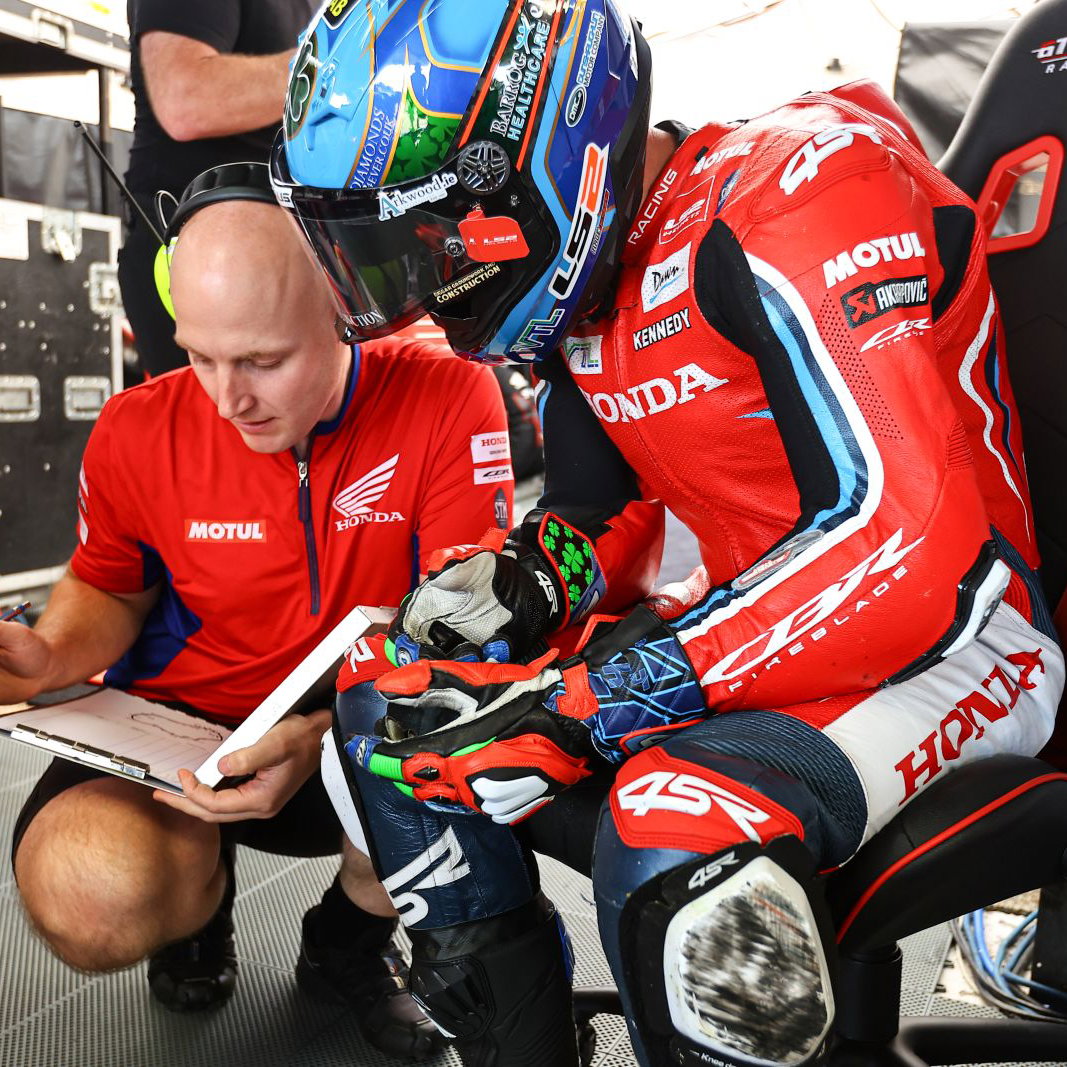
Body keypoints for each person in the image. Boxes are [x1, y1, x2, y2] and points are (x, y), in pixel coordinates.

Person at [272, 3, 1066, 1066]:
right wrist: (516, 584)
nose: (419, 288)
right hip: (764, 634)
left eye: (429, 241)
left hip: (961, 640)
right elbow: (600, 517)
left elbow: (906, 540)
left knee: (675, 821)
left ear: (540, 149)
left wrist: (589, 705)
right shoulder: (582, 284)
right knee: (389, 700)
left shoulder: (800, 189)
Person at [0, 183, 514, 1060]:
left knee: (480, 757)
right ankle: (195, 900)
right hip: (176, 734)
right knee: (86, 898)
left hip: (355, 733)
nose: (226, 397)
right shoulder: (135, 427)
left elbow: (461, 640)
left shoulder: (448, 398)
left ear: (350, 312)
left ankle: (346, 938)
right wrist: (47, 653)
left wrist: (320, 736)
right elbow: (111, 588)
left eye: (262, 360)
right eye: (199, 356)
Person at [119, 0, 317, 377]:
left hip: (292, 245)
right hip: (202, 255)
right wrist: (333, 62)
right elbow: (186, 100)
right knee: (223, 425)